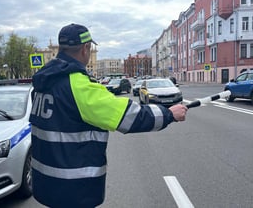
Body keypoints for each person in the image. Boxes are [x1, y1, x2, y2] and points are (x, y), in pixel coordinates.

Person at [29, 23, 188, 208]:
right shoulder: (79, 86)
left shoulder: (43, 83)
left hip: (46, 183)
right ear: (85, 48)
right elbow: (129, 116)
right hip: (74, 188)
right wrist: (168, 114)